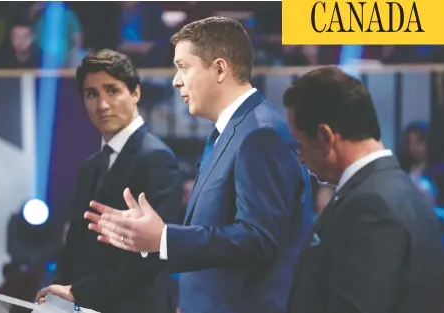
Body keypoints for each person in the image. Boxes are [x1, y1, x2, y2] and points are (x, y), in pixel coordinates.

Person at [84, 17, 313, 313]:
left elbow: (259, 240)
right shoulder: (232, 131)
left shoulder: (260, 134)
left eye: (183, 67)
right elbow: (217, 236)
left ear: (219, 69)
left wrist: (165, 237)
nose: (175, 80)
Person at [283, 66, 444, 313]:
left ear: (325, 136)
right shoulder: (395, 190)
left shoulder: (370, 205)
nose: (300, 157)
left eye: (300, 142)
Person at [36, 49, 183, 313]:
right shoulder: (91, 166)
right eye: (92, 94)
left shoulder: (157, 158)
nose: (102, 104)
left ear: (135, 93)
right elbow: (75, 246)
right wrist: (57, 295)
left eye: (112, 90)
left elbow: (151, 257)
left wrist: (77, 292)